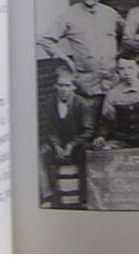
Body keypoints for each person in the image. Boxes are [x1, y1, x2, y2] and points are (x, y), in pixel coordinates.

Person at [38, 0, 121, 101]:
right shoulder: (69, 15)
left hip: (112, 83)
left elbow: (125, 37)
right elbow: (45, 40)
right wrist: (65, 59)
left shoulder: (111, 14)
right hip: (86, 84)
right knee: (88, 120)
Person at [39, 65, 96, 207]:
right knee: (41, 153)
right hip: (59, 146)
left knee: (86, 153)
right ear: (55, 86)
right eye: (60, 85)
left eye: (67, 85)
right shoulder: (49, 103)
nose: (64, 89)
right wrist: (56, 145)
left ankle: (84, 198)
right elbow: (50, 129)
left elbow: (88, 131)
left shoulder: (81, 104)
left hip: (77, 146)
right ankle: (50, 195)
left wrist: (72, 144)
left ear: (74, 87)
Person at [96, 51, 139, 150]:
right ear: (118, 71)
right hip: (121, 140)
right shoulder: (112, 94)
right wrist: (101, 137)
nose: (126, 73)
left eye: (130, 68)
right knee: (103, 153)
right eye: (122, 69)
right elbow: (106, 123)